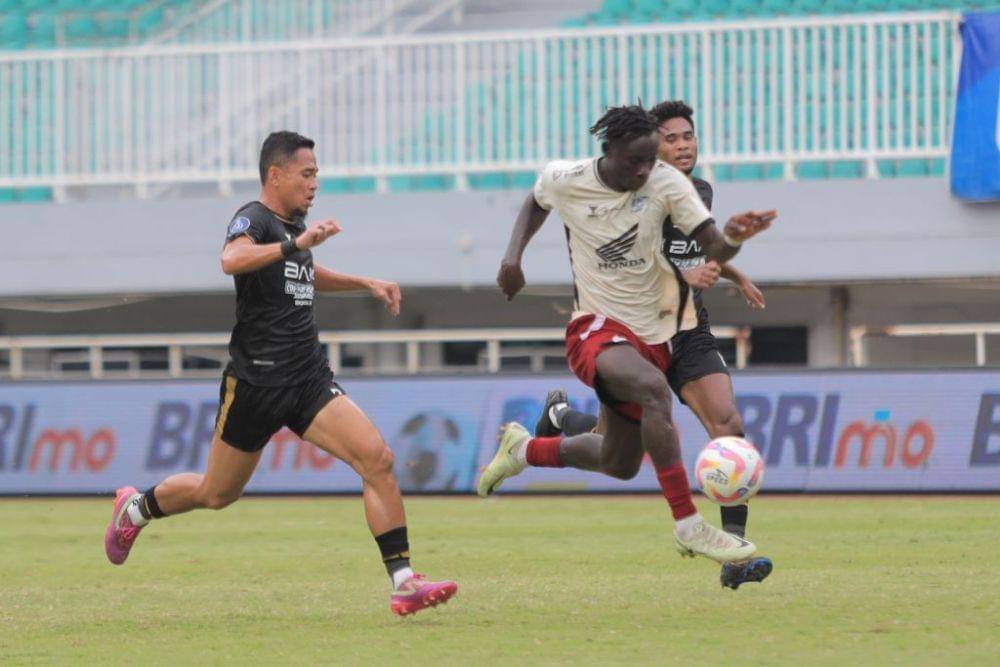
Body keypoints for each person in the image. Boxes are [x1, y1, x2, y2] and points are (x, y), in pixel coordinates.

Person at [103, 131, 457, 617]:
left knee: (376, 458)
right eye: (306, 174)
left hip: (307, 380)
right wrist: (294, 244)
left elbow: (305, 270)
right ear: (276, 174)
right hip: (255, 384)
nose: (315, 185)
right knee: (216, 493)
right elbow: (231, 259)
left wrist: (364, 283)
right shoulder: (256, 218)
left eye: (316, 175)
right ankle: (136, 508)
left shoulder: (292, 229)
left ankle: (403, 581)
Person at [478, 105, 776, 564]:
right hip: (596, 326)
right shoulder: (566, 177)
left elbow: (710, 242)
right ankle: (689, 525)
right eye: (636, 161)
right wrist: (512, 257)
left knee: (620, 462)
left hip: (659, 334)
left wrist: (734, 238)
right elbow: (536, 201)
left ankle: (525, 449)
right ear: (609, 150)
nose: (643, 171)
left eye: (649, 161)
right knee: (655, 391)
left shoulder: (671, 185)